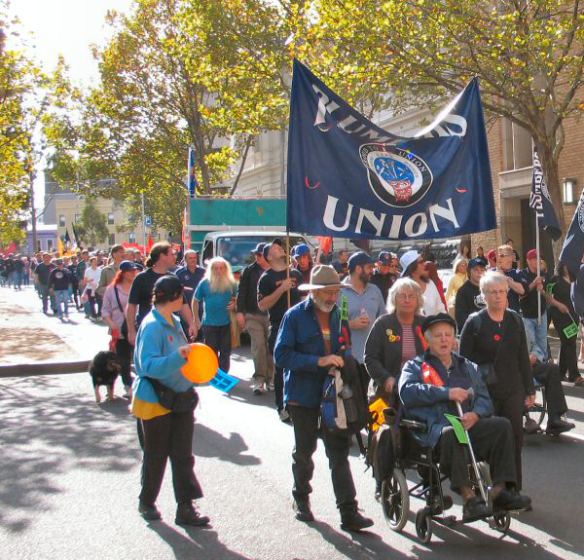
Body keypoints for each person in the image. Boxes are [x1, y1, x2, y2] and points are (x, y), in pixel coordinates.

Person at [399, 313, 531, 521]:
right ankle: (469, 499)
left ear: (454, 338)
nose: (443, 339)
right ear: (427, 339)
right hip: (437, 430)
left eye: (448, 335)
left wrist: (476, 414)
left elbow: (483, 397)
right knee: (453, 432)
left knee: (502, 425)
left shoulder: (468, 366)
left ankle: (500, 491)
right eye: (437, 336)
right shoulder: (414, 366)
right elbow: (407, 392)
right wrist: (446, 393)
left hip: (467, 424)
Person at [274, 265, 374, 531]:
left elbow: (344, 344)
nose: (332, 297)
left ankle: (349, 512)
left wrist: (345, 359)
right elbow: (281, 356)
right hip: (302, 394)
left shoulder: (338, 315)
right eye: (327, 292)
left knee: (338, 451)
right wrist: (318, 361)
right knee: (305, 450)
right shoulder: (293, 316)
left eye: (335, 292)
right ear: (314, 292)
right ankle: (301, 498)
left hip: (334, 393)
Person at [132, 275, 209, 526]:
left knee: (183, 455)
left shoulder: (173, 320)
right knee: (156, 455)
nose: (184, 300)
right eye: (182, 296)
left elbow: (184, 361)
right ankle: (147, 501)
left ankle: (185, 508)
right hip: (155, 398)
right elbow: (149, 366)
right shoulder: (152, 326)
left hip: (180, 398)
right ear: (174, 297)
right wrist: (180, 356)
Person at [459, 271, 535, 490]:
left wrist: (529, 389)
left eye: (502, 291)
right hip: (485, 392)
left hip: (513, 388)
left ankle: (513, 488)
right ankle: (488, 486)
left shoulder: (515, 319)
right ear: (484, 295)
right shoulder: (475, 323)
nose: (499, 296)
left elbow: (522, 356)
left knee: (515, 438)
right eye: (493, 292)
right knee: (493, 439)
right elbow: (462, 363)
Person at [257, 240, 303, 421]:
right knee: (281, 366)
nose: (279, 247)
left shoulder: (295, 273)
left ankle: (299, 404)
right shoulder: (266, 278)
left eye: (280, 246)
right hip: (279, 325)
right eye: (275, 248)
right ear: (269, 256)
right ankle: (281, 405)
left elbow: (305, 297)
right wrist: (281, 290)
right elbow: (262, 305)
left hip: (299, 326)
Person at [364, 278, 427, 404]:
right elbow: (370, 358)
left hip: (420, 390)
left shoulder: (425, 324)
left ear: (418, 300)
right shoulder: (382, 324)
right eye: (402, 296)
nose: (407, 300)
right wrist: (386, 378)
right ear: (394, 299)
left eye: (411, 296)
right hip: (388, 392)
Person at [126, 242, 197, 347]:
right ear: (162, 256)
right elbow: (131, 306)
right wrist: (131, 331)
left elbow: (183, 304)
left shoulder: (173, 278)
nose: (175, 257)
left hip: (171, 330)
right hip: (149, 329)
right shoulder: (142, 278)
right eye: (172, 254)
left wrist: (191, 323)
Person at [236, 243, 273, 394]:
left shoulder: (277, 271)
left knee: (271, 347)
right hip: (253, 315)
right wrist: (240, 312)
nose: (256, 258)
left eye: (259, 255)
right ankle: (259, 380)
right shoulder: (249, 271)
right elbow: (242, 292)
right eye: (255, 255)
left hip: (272, 316)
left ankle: (271, 378)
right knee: (258, 346)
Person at [102, 260, 141, 398]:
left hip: (137, 327)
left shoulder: (138, 286)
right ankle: (128, 385)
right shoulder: (112, 289)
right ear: (123, 273)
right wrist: (111, 324)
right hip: (119, 328)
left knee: (138, 357)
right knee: (123, 359)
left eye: (134, 270)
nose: (133, 273)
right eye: (131, 271)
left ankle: (141, 384)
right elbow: (105, 310)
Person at [339, 251, 385, 368]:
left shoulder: (375, 290)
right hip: (349, 361)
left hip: (374, 359)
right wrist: (350, 324)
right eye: (369, 267)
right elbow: (331, 326)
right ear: (358, 269)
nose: (372, 271)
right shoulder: (339, 292)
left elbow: (384, 319)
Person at [192, 257, 238, 374]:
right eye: (216, 268)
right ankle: (214, 372)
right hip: (209, 323)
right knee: (211, 350)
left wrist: (234, 305)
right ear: (211, 270)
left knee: (225, 351)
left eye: (221, 268)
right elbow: (195, 300)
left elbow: (237, 299)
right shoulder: (204, 283)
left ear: (225, 269)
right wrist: (195, 319)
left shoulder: (231, 283)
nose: (218, 271)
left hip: (226, 323)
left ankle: (223, 374)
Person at [546, 262, 584, 385]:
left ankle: (561, 372)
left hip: (573, 315)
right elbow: (547, 297)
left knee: (567, 342)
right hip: (559, 315)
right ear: (563, 266)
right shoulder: (554, 280)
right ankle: (574, 375)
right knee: (570, 343)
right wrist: (559, 305)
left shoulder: (576, 278)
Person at [529, 354, 575, 434]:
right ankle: (525, 419)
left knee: (553, 368)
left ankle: (554, 419)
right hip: (512, 365)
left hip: (530, 364)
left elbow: (540, 346)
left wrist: (536, 357)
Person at [519, 249, 549, 361]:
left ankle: (543, 369)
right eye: (535, 258)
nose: (538, 260)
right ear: (528, 261)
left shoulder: (543, 274)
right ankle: (532, 372)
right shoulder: (522, 274)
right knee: (531, 346)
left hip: (542, 314)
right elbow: (521, 294)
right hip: (527, 316)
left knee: (542, 344)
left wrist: (542, 290)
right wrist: (533, 283)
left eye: (539, 258)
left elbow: (548, 295)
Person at [399, 250, 446, 316]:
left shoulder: (430, 283)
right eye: (421, 262)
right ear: (412, 268)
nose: (425, 264)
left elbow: (440, 309)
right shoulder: (402, 289)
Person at [454, 257, 487, 332]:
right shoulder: (463, 291)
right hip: (472, 333)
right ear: (469, 271)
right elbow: (461, 318)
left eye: (482, 270)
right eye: (476, 270)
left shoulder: (490, 288)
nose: (479, 272)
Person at [96, 245, 127, 313]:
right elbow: (99, 289)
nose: (123, 254)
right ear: (114, 254)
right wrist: (112, 288)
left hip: (127, 304)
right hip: (112, 305)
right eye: (120, 252)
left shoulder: (129, 269)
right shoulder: (106, 270)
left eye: (123, 252)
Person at [495, 244, 526, 312]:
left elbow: (522, 291)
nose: (499, 258)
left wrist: (505, 278)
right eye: (498, 255)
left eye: (502, 255)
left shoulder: (517, 273)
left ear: (510, 257)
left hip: (513, 315)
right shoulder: (491, 272)